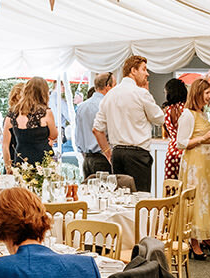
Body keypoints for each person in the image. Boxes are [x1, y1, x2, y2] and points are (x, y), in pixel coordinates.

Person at [93, 55, 165, 192]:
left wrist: (108, 153)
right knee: (140, 201)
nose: (147, 73)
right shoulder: (141, 93)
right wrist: (147, 93)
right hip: (138, 156)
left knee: (120, 200)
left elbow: (97, 129)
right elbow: (160, 119)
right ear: (133, 71)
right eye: (144, 69)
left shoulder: (109, 95)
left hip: (117, 154)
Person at [176, 77, 210, 258]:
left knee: (207, 200)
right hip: (194, 165)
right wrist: (204, 138)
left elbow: (204, 137)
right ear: (198, 93)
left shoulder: (203, 114)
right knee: (196, 202)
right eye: (208, 93)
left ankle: (206, 237)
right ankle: (194, 241)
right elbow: (181, 142)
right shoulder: (187, 114)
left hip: (207, 165)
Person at [74, 73, 115, 178]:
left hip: (87, 160)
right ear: (108, 86)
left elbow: (78, 137)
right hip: (104, 159)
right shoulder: (107, 105)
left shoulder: (81, 107)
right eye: (114, 85)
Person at [10, 76, 57, 166]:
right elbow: (54, 135)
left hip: (21, 159)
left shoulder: (16, 112)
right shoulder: (46, 112)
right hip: (42, 160)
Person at [161, 78, 187, 181]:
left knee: (171, 185)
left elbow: (167, 131)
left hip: (172, 150)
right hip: (185, 150)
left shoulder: (166, 110)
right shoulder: (186, 108)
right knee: (185, 184)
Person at [0, 82, 24, 168]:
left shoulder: (30, 117)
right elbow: (5, 145)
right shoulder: (10, 118)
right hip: (14, 161)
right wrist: (8, 166)